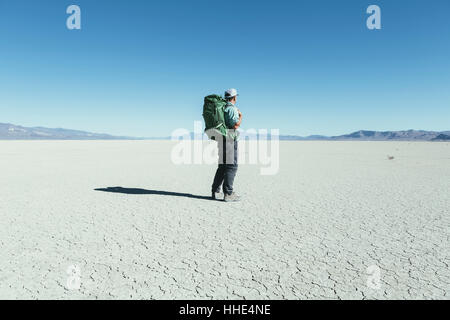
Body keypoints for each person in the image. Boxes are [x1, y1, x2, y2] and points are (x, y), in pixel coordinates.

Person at [211, 88, 242, 202]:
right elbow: (235, 126)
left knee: (222, 166)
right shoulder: (232, 109)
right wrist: (241, 116)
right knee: (231, 167)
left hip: (221, 139)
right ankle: (228, 193)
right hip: (229, 139)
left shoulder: (222, 107)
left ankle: (215, 191)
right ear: (234, 97)